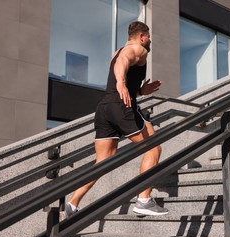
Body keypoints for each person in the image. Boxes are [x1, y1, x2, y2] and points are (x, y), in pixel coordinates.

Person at [64, 21, 168, 218]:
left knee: (103, 160)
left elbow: (120, 65)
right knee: (154, 147)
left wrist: (140, 90)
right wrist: (121, 82)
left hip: (104, 108)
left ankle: (73, 202)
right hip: (122, 106)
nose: (150, 40)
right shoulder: (137, 49)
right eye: (148, 37)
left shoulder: (117, 51)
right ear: (141, 36)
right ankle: (144, 200)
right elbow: (123, 60)